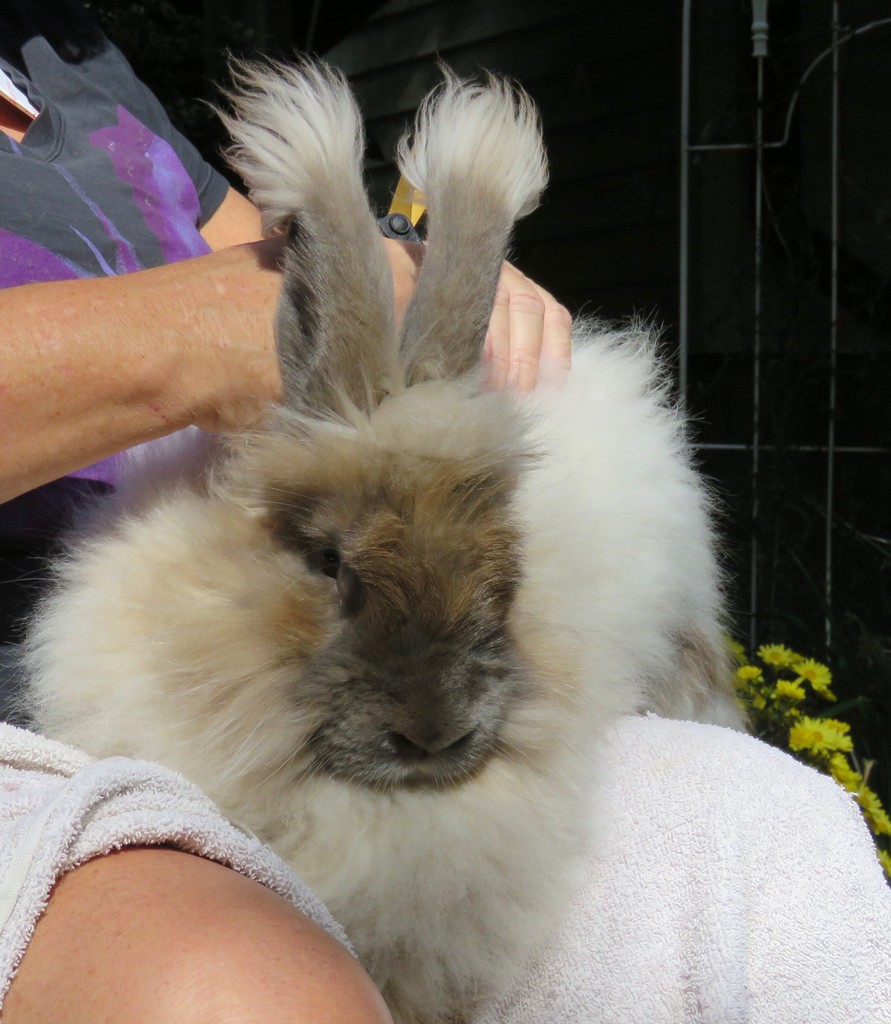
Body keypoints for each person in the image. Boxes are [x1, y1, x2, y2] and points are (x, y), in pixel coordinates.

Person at [0, 2, 570, 1020]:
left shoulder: (61, 57)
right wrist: (176, 341)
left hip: (286, 727)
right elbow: (237, 315)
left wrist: (437, 289)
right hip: (68, 729)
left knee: (756, 842)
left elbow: (305, 279)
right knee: (248, 991)